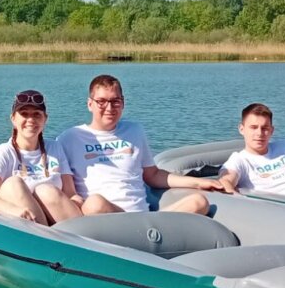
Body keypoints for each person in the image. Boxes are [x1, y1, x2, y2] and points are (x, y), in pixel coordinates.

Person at [56, 75, 222, 215]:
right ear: (89, 104)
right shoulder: (69, 138)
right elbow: (61, 185)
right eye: (101, 101)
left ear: (123, 102)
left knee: (199, 202)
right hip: (104, 217)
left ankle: (149, 236)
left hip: (142, 217)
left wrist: (197, 182)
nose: (109, 107)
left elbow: (153, 175)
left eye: (115, 101)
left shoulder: (134, 131)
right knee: (94, 204)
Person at [0, 90, 83, 225]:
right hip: (23, 222)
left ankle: (87, 240)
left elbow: (70, 193)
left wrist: (78, 202)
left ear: (45, 119)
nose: (31, 120)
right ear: (13, 119)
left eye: (37, 115)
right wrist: (14, 210)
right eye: (24, 114)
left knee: (46, 190)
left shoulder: (55, 148)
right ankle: (43, 239)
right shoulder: (3, 152)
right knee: (13, 184)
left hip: (57, 218)